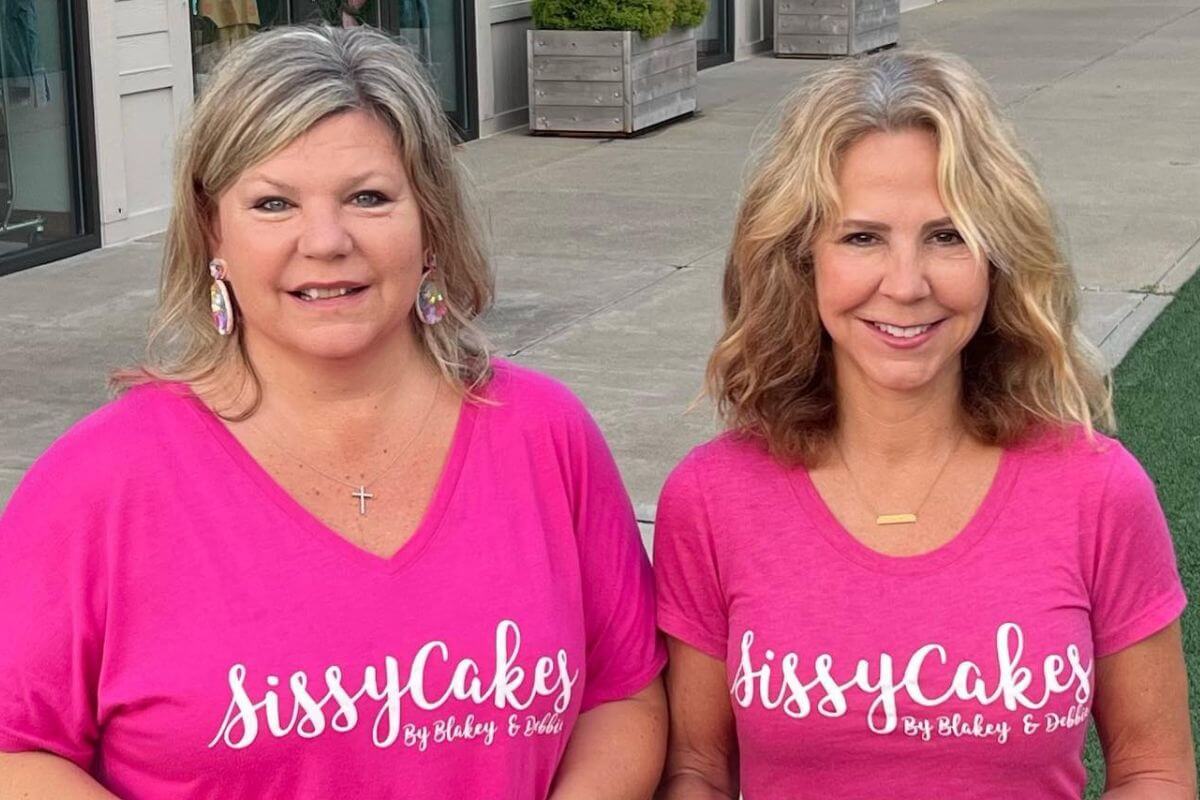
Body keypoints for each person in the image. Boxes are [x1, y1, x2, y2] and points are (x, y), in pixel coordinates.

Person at [0, 25, 666, 799]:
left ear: (430, 226)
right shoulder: (97, 484)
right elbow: (15, 753)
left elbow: (623, 693)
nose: (324, 241)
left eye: (368, 197)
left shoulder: (544, 436)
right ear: (213, 231)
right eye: (273, 202)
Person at [653, 50, 1194, 799]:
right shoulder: (712, 498)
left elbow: (1154, 771)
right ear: (800, 257)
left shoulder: (1098, 490)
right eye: (862, 237)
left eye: (947, 236)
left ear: (998, 256)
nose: (906, 285)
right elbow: (698, 772)